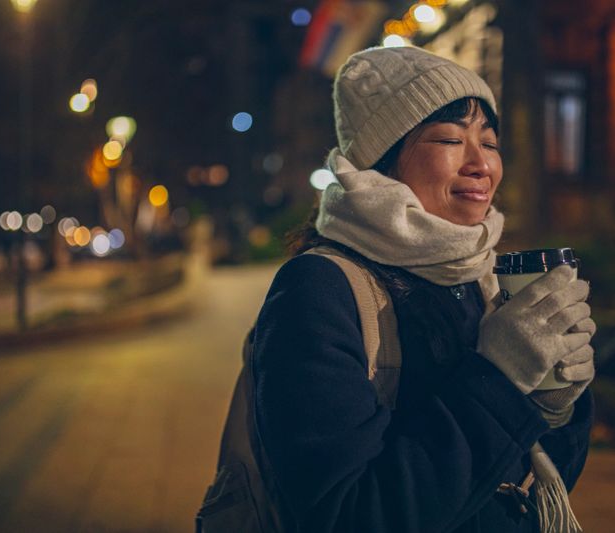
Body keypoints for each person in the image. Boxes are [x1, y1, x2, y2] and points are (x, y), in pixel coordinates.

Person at [251, 46, 595, 532]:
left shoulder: (482, 278)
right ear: (383, 164)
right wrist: (500, 382)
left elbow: (523, 490)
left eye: (490, 142)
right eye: (451, 139)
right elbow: (349, 514)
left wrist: (555, 407)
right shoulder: (319, 290)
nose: (481, 164)